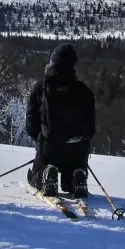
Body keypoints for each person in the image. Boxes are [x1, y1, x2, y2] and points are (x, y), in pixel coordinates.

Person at [25, 43, 96, 198]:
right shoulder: (84, 91)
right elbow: (91, 128)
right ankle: (77, 176)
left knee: (35, 178)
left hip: (50, 147)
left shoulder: (41, 88)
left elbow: (31, 125)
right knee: (71, 181)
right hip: (78, 149)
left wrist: (41, 139)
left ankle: (47, 173)